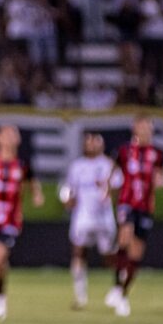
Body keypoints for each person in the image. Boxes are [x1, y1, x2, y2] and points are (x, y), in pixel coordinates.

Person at [0, 125, 44, 320]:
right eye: (5, 134)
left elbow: (32, 183)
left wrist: (36, 195)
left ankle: (0, 297)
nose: (8, 137)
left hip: (10, 220)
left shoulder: (22, 166)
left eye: (12, 134)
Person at [105, 115, 163, 316]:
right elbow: (111, 172)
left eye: (149, 126)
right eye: (143, 126)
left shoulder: (158, 153)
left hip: (145, 207)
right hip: (127, 204)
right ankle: (115, 286)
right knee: (125, 236)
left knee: (136, 254)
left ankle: (123, 295)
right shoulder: (123, 151)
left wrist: (161, 180)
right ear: (135, 128)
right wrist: (106, 189)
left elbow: (160, 176)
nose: (146, 130)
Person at [60, 132, 118, 310]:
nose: (91, 145)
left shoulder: (109, 165)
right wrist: (68, 200)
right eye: (88, 142)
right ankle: (80, 295)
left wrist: (110, 192)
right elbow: (69, 190)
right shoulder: (77, 166)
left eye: (94, 142)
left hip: (103, 217)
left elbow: (118, 187)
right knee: (78, 252)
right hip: (82, 217)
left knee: (108, 255)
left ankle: (118, 287)